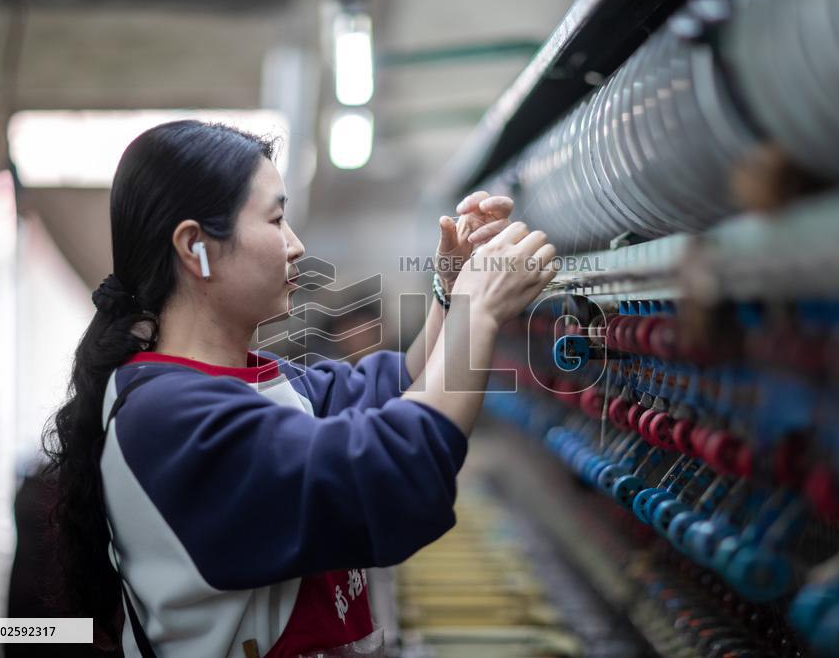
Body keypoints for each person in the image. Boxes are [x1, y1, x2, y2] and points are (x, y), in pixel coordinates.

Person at [42, 120, 556, 658]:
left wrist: (451, 290)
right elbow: (391, 470)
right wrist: (480, 310)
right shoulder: (167, 417)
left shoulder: (262, 382)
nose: (296, 245)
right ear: (196, 246)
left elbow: (401, 393)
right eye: (276, 219)